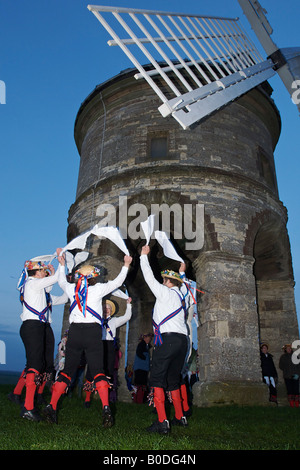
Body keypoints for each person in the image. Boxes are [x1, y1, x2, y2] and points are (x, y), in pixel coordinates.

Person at [43, 250, 132, 427]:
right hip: (92, 332)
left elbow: (61, 281)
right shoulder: (98, 289)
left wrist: (62, 265)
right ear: (93, 278)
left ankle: (51, 406)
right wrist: (126, 265)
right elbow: (117, 282)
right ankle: (106, 408)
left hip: (74, 331)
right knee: (98, 370)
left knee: (68, 371)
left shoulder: (71, 289)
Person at [140, 244, 189, 434]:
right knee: (173, 379)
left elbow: (148, 278)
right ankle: (180, 416)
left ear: (168, 281)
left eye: (163, 280)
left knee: (158, 379)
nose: (161, 281)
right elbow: (183, 285)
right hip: (182, 341)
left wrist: (144, 256)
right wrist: (182, 272)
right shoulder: (181, 294)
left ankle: (162, 422)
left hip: (167, 341)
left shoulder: (164, 293)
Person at [17, 260, 60, 421]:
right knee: (34, 366)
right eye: (42, 270)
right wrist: (60, 266)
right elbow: (52, 281)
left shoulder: (37, 285)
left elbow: (49, 286)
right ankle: (28, 408)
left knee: (37, 365)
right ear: (36, 272)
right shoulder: (32, 283)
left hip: (37, 326)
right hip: (32, 327)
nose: (45, 272)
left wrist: (53, 271)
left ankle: (29, 405)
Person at [133, 333, 153, 404]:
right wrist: (145, 358)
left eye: (150, 338)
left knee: (142, 384)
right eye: (148, 337)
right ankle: (138, 400)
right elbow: (139, 353)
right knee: (140, 384)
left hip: (144, 368)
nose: (149, 339)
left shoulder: (146, 346)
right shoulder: (142, 345)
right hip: (140, 368)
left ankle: (140, 400)